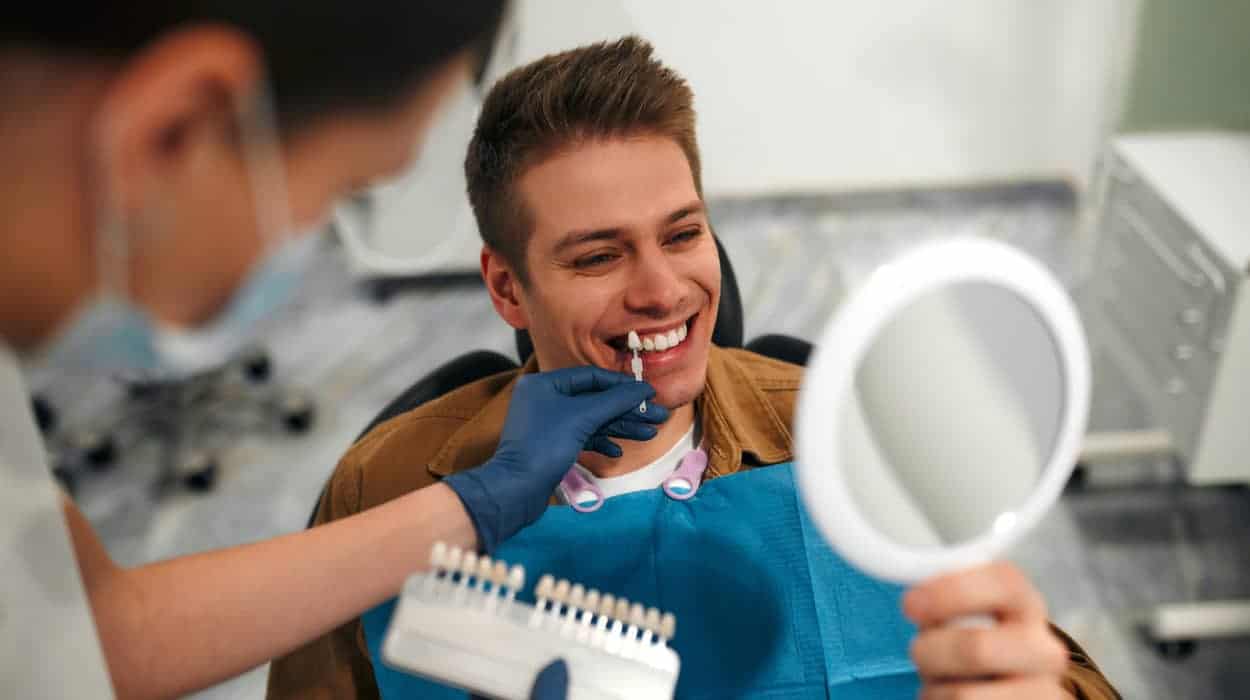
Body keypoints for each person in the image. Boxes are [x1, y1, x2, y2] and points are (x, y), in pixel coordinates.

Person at [271, 37, 1121, 699]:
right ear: (507, 287)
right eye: (600, 256)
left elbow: (1044, 671)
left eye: (682, 234)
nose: (662, 290)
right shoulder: (382, 491)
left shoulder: (861, 445)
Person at [0, 5, 663, 698]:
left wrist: (478, 505)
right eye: (345, 189)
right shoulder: (380, 468)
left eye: (682, 234)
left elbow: (95, 632)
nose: (657, 290)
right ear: (171, 132)